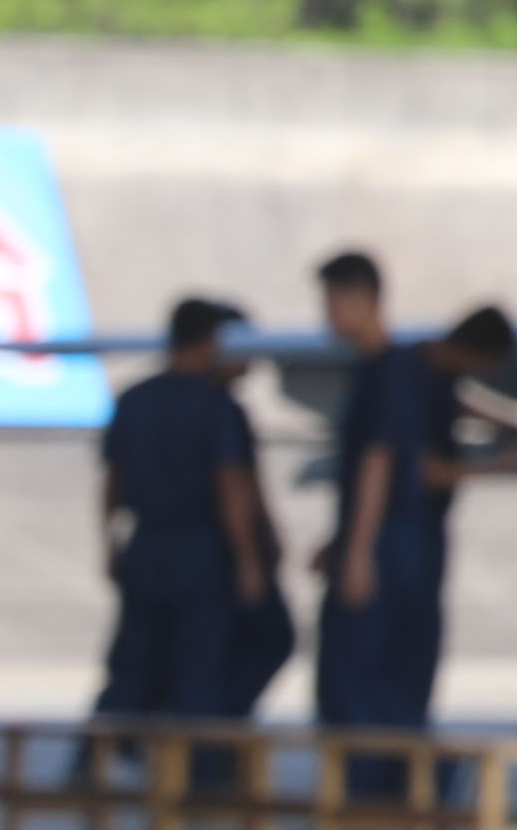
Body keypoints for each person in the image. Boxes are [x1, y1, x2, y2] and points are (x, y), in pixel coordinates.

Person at [308, 247, 481, 780]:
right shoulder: (405, 369)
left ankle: (374, 800)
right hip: (405, 540)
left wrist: (357, 550)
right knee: (391, 670)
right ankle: (409, 790)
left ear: (363, 300)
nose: (328, 316)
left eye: (334, 301)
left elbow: (379, 463)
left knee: (359, 672)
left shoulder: (387, 373)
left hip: (392, 541)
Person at [92, 295, 286, 735]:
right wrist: (249, 560)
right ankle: (197, 774)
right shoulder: (218, 410)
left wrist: (110, 541)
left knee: (133, 664)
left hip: (146, 547)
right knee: (201, 667)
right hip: (203, 553)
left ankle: (97, 762)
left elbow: (112, 482)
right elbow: (230, 486)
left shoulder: (134, 400)